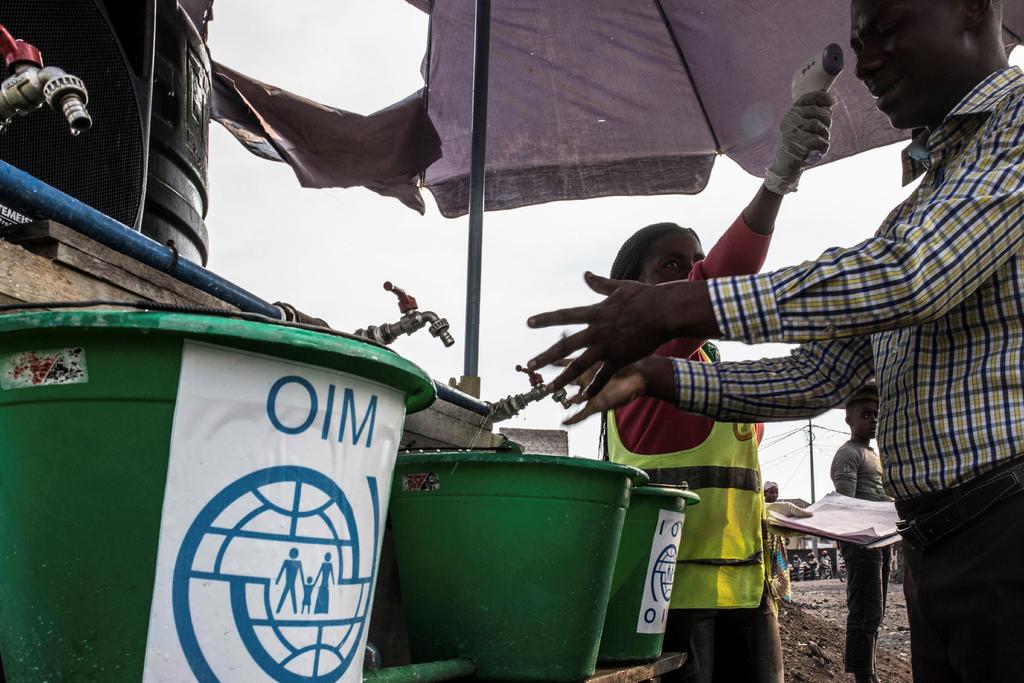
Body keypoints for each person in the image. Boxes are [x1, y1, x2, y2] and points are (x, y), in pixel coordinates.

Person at [527, 1, 1023, 680]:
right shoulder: (916, 209)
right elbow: (818, 375)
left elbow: (910, 277)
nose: (866, 65)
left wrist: (676, 305)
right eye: (858, 44)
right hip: (938, 547)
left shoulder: (1016, 125)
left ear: (972, 8)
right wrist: (655, 374)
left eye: (886, 31)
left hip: (1006, 525)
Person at [589, 90, 836, 683]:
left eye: (696, 261)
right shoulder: (641, 360)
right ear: (630, 290)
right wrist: (776, 181)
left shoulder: (707, 364)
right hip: (670, 603)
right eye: (673, 266)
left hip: (746, 593)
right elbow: (721, 280)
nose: (692, 275)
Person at [831, 384, 892, 683]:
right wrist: (855, 542)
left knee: (877, 610)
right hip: (861, 541)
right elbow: (846, 505)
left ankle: (869, 670)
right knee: (865, 609)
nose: (873, 420)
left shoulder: (873, 454)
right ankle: (863, 676)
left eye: (876, 414)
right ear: (849, 420)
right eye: (865, 414)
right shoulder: (848, 454)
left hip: (882, 539)